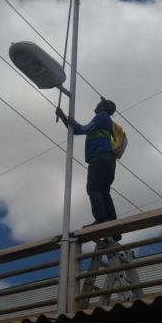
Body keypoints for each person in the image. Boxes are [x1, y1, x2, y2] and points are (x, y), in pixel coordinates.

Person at [56, 97, 119, 235]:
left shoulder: (101, 116)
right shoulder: (106, 120)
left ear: (103, 107)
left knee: (93, 188)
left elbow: (81, 129)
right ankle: (115, 228)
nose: (96, 105)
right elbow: (77, 130)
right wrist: (63, 117)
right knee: (104, 192)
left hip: (99, 157)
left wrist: (69, 120)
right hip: (108, 159)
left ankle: (101, 219)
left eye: (99, 104)